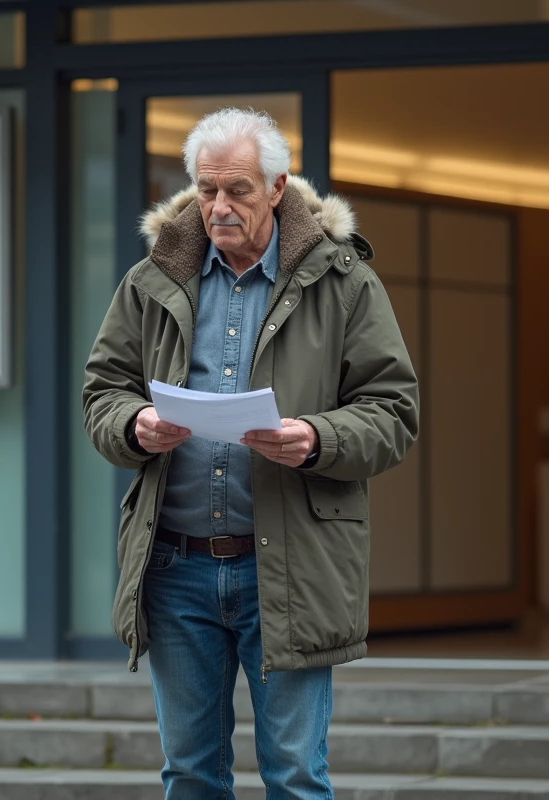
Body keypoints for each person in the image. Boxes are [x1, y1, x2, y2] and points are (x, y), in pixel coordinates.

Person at [82, 107, 419, 799]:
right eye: (207, 190)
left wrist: (318, 439)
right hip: (176, 569)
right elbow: (102, 392)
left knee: (295, 775)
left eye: (237, 190)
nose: (218, 207)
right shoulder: (151, 280)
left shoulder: (344, 282)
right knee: (189, 774)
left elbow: (394, 411)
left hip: (291, 568)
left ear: (276, 187)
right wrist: (135, 425)